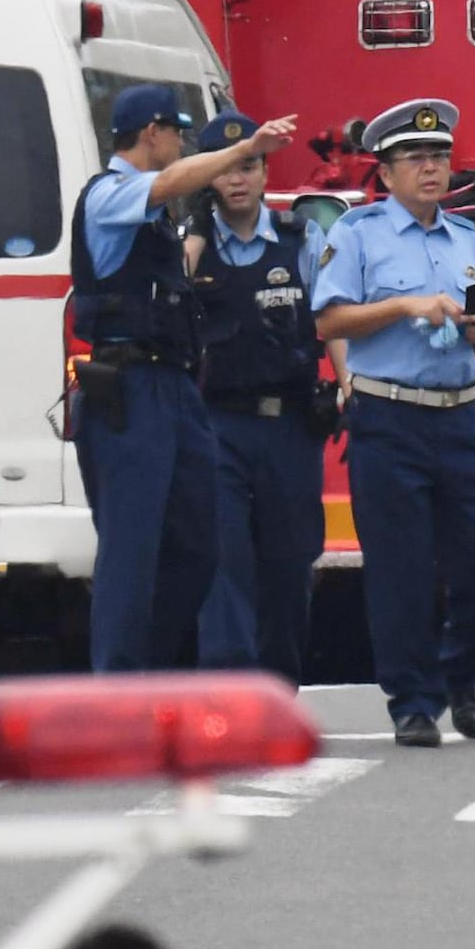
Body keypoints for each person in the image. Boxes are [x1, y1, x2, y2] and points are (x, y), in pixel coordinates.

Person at [70, 86, 295, 673]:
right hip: (129, 390)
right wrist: (244, 148)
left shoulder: (156, 212)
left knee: (198, 547)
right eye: (177, 132)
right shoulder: (110, 196)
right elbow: (171, 183)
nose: (180, 144)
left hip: (173, 387)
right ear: (153, 133)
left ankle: (155, 673)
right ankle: (120, 693)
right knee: (132, 550)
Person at [310, 98, 475, 748]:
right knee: (401, 571)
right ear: (385, 174)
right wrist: (403, 306)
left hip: (459, 417)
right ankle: (412, 702)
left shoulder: (467, 240)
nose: (431, 168)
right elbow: (329, 321)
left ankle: (460, 677)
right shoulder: (358, 235)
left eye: (439, 156)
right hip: (389, 417)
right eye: (414, 158)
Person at [184, 112, 332, 681]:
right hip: (216, 425)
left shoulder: (301, 238)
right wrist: (195, 231)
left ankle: (278, 687)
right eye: (225, 169)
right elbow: (169, 298)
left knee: (288, 565)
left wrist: (345, 387)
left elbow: (331, 318)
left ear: (266, 172)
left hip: (289, 426)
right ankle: (230, 690)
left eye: (248, 165)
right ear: (208, 178)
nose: (238, 180)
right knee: (223, 561)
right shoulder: (190, 247)